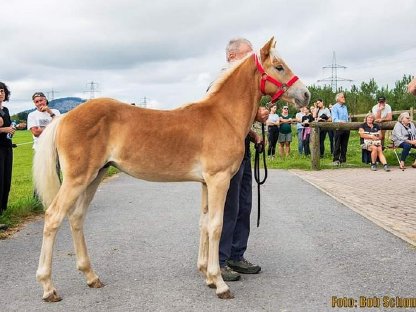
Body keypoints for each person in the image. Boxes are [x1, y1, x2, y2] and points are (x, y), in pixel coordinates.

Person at [219, 38, 269, 281]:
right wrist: (254, 116)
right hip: (224, 151)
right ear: (231, 57)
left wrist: (253, 128)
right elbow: (221, 117)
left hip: (242, 146)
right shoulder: (221, 82)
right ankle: (219, 259)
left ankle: (236, 254)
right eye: (247, 55)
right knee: (229, 205)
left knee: (243, 204)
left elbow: (239, 119)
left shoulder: (246, 83)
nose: (252, 60)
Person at [0, 82, 15, 228]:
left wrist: (11, 129)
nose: (1, 93)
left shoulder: (6, 109)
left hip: (7, 147)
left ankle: (3, 210)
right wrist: (4, 130)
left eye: (2, 91)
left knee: (6, 179)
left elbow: (7, 127)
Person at [331, 92, 350, 165]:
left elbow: (347, 118)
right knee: (337, 144)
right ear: (338, 99)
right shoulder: (334, 107)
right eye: (342, 97)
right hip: (338, 128)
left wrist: (348, 123)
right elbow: (334, 119)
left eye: (344, 97)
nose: (344, 98)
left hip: (346, 128)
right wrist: (341, 121)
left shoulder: (345, 107)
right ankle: (336, 159)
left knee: (344, 145)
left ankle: (343, 160)